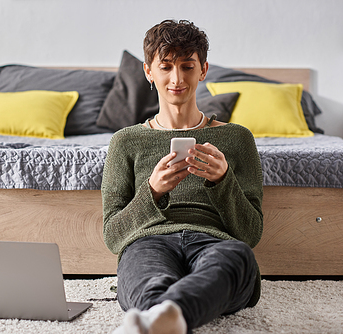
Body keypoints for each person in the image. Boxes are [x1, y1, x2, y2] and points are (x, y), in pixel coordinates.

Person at [102, 19, 263, 333]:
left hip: (216, 242)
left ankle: (162, 318)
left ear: (203, 70)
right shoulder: (125, 141)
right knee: (144, 274)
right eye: (166, 66)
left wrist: (222, 181)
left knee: (237, 257)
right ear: (149, 71)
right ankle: (167, 318)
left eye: (187, 66)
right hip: (149, 242)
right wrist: (153, 191)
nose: (177, 79)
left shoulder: (238, 139)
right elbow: (113, 236)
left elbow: (251, 233)